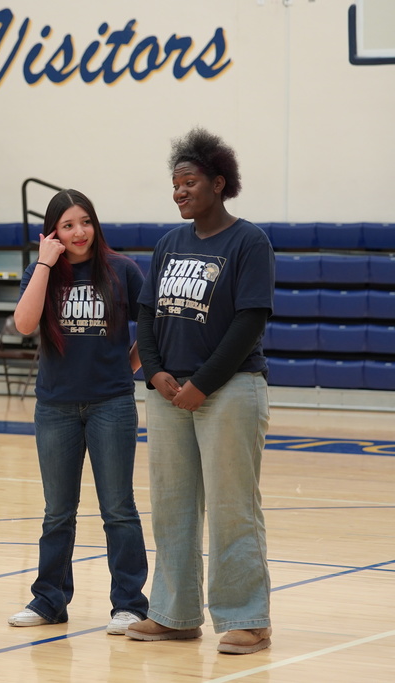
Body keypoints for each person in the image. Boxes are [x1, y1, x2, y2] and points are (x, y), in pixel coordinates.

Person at [125, 128, 274, 654]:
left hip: (229, 390)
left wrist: (202, 384)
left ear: (219, 182)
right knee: (171, 507)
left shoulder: (248, 241)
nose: (180, 192)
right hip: (169, 395)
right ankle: (174, 613)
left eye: (189, 182)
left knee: (233, 508)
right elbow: (147, 313)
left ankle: (248, 619)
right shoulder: (169, 244)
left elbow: (249, 321)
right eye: (175, 184)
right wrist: (156, 373)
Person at [7, 189, 150, 634]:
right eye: (67, 225)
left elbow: (152, 328)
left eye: (85, 222)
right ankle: (49, 600)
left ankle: (129, 604)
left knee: (118, 509)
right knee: (57, 512)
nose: (79, 232)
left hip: (112, 404)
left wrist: (125, 368)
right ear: (54, 231)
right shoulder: (42, 271)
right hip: (56, 406)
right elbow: (25, 324)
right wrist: (46, 264)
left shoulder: (122, 270)